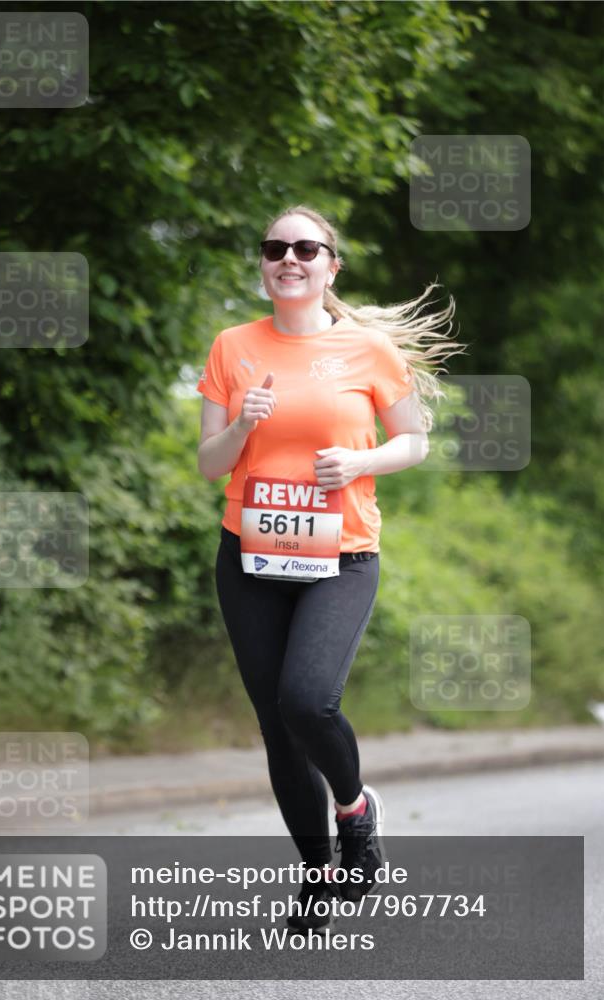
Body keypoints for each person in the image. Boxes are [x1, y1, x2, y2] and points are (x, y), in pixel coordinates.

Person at [196, 204, 462, 934]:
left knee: (307, 700)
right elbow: (208, 461)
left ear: (329, 266)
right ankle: (316, 874)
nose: (289, 258)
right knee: (276, 727)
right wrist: (245, 425)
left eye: (305, 248)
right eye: (274, 246)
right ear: (262, 263)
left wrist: (360, 461)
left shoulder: (368, 350)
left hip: (340, 556)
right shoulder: (232, 346)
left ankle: (354, 808)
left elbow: (413, 439)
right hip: (248, 556)